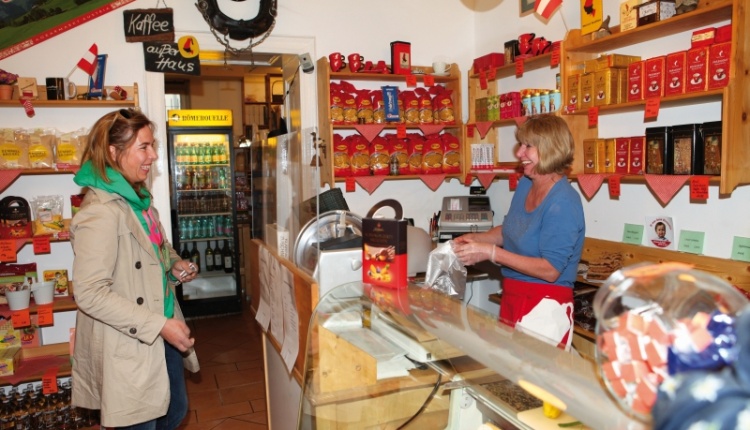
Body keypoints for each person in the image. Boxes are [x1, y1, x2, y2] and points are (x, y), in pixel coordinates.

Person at [70, 108, 200, 429]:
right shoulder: (101, 212)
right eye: (144, 147)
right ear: (113, 152)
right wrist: (158, 325)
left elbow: (158, 249)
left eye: (152, 145)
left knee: (175, 411)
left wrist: (173, 265)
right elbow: (89, 293)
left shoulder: (140, 200)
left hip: (161, 328)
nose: (153, 155)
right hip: (131, 341)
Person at [452, 114, 585, 349]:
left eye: (528, 146)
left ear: (550, 149)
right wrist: (477, 238)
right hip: (513, 294)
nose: (519, 153)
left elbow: (550, 270)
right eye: (520, 145)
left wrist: (491, 253)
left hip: (546, 305)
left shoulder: (564, 202)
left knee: (535, 372)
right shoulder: (526, 184)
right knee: (508, 368)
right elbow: (512, 230)